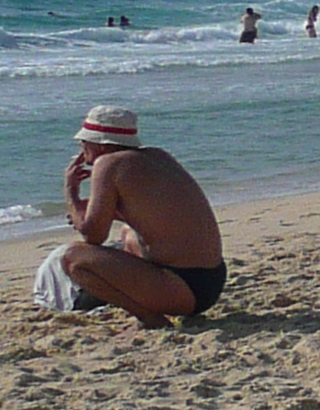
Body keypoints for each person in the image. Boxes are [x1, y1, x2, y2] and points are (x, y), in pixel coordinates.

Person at [55, 107, 225, 325]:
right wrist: (102, 212)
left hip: (181, 289)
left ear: (100, 144)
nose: (81, 147)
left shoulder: (108, 164)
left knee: (74, 258)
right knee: (128, 234)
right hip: (211, 281)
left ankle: (149, 317)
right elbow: (156, 215)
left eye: (84, 142)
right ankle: (137, 296)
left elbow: (93, 237)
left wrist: (71, 192)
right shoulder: (158, 156)